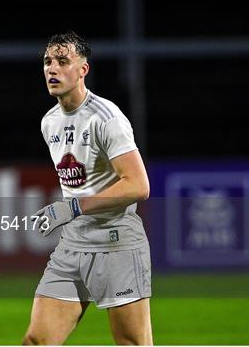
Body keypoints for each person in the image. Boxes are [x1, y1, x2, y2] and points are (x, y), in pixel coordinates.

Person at [23, 31, 153, 345]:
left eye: (62, 61)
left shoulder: (107, 118)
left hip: (116, 241)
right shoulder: (49, 122)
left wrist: (73, 207)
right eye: (47, 62)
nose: (52, 69)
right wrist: (74, 212)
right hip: (74, 242)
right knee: (37, 341)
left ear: (83, 70)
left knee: (131, 343)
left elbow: (138, 185)